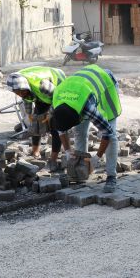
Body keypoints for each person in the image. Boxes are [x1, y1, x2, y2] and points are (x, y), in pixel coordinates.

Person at [51, 64, 122, 193]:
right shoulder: (56, 102)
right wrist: (67, 151)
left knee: (111, 137)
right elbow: (61, 130)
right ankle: (81, 172)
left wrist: (97, 158)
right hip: (81, 89)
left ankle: (112, 176)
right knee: (79, 132)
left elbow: (107, 132)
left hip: (106, 86)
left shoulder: (88, 108)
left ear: (80, 117)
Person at [6, 67, 66, 170]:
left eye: (21, 92)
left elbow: (58, 97)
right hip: (41, 94)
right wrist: (29, 114)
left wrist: (50, 114)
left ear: (25, 86)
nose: (20, 94)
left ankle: (53, 159)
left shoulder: (42, 86)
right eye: (17, 93)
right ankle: (35, 152)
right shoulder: (19, 81)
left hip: (58, 88)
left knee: (55, 127)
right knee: (36, 123)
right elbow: (27, 98)